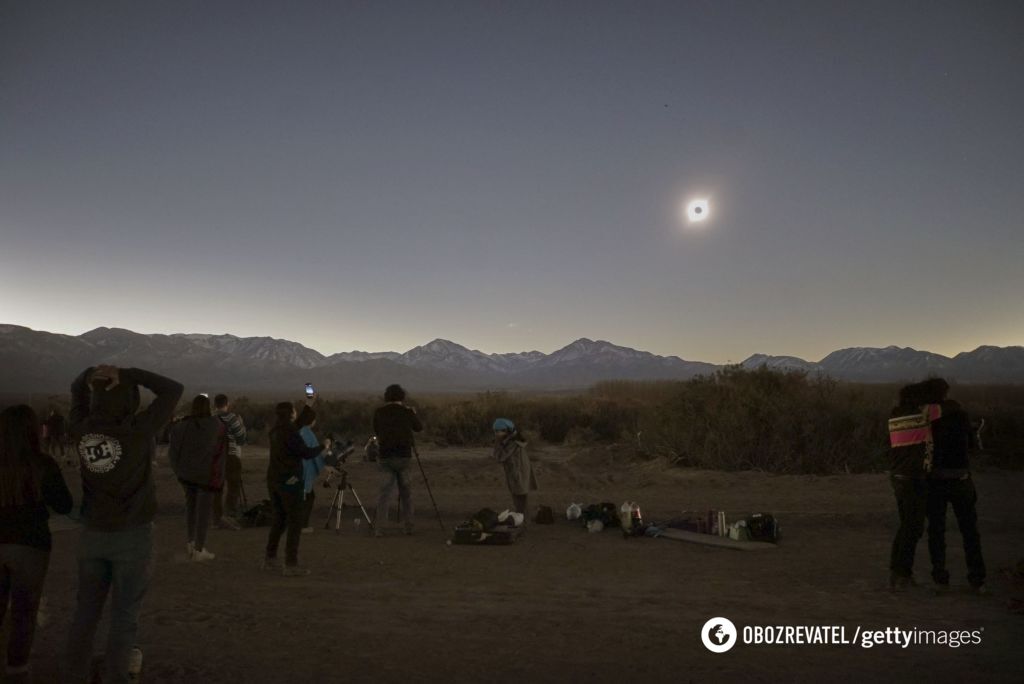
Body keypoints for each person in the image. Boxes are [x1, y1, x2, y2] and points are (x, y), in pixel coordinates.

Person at [64, 365, 183, 683]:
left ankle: (74, 674)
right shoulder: (140, 428)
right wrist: (129, 373)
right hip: (132, 533)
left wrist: (88, 373)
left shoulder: (81, 428)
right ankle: (116, 675)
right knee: (124, 615)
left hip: (92, 532)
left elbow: (76, 390)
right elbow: (173, 389)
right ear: (130, 399)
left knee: (85, 613)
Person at [0, 405, 73, 682]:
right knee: (24, 610)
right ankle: (16, 667)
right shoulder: (42, 464)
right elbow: (63, 504)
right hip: (31, 544)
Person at [924, 378, 987, 594]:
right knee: (969, 530)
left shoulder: (927, 417)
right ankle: (977, 579)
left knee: (936, 530)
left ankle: (940, 578)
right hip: (961, 478)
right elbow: (973, 447)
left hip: (936, 481)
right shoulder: (960, 415)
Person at [887, 380, 943, 592]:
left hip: (899, 476)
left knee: (906, 526)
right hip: (913, 478)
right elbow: (941, 413)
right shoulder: (922, 417)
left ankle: (897, 571)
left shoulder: (896, 415)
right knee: (913, 527)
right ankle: (902, 573)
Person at [263, 400, 327, 576]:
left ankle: (270, 557)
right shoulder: (289, 432)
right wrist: (323, 446)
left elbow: (296, 426)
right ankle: (291, 564)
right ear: (291, 413)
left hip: (274, 480)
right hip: (290, 482)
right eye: (294, 410)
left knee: (279, 520)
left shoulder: (276, 431)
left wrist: (309, 404)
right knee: (295, 522)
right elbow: (306, 452)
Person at [168, 395, 227, 562]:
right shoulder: (217, 426)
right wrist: (219, 478)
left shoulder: (180, 427)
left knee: (191, 509)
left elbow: (173, 453)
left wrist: (178, 471)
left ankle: (190, 542)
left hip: (186, 475)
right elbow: (220, 455)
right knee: (203, 513)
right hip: (207, 477)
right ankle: (199, 549)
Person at [372, 384, 422, 536]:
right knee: (406, 494)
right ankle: (409, 527)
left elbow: (376, 430)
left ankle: (379, 528)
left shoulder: (379, 412)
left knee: (384, 495)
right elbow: (418, 428)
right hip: (404, 457)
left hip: (385, 457)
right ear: (402, 396)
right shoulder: (406, 412)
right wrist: (413, 414)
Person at [211, 394, 247, 529]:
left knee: (216, 488)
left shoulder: (211, 419)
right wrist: (241, 424)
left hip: (214, 458)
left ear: (215, 404)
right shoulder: (232, 418)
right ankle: (229, 514)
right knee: (233, 485)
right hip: (231, 456)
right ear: (227, 404)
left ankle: (217, 517)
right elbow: (241, 438)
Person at [492, 418, 537, 518]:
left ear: (506, 431)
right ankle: (522, 519)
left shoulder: (512, 444)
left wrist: (497, 443)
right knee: (520, 498)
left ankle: (523, 521)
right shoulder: (511, 441)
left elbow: (500, 457)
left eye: (497, 431)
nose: (496, 434)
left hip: (518, 474)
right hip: (517, 473)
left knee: (520, 500)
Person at [295, 406, 330, 533]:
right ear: (312, 420)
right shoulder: (309, 434)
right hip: (305, 471)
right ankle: (302, 526)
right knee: (307, 498)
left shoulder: (297, 430)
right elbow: (315, 454)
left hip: (295, 469)